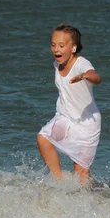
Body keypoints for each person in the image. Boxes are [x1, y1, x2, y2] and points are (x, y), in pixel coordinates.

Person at [37, 24, 102, 184]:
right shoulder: (57, 64)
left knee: (81, 174)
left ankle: (88, 199)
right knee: (43, 138)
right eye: (53, 45)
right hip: (65, 118)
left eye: (61, 45)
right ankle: (59, 182)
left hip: (88, 124)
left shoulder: (81, 63)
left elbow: (97, 77)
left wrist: (85, 76)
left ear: (73, 48)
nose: (56, 49)